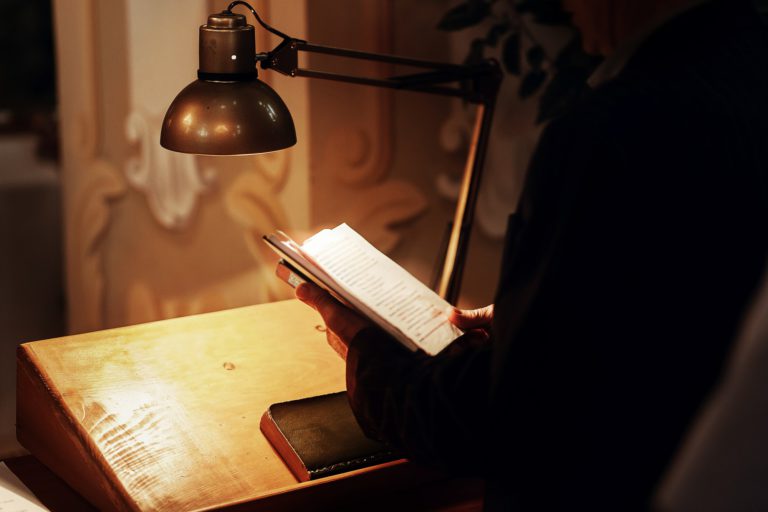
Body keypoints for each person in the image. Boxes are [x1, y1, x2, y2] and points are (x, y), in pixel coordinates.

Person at [295, 0, 768, 509]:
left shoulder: (616, 127)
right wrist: (533, 320)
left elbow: (516, 419)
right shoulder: (748, 64)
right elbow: (667, 313)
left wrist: (369, 352)